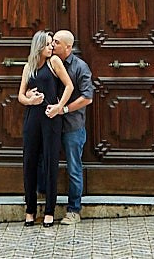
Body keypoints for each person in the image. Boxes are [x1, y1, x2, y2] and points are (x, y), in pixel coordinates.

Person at [16, 30, 72, 226]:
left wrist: (59, 107)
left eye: (52, 44)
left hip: (51, 118)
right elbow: (20, 96)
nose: (51, 47)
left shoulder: (54, 62)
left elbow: (69, 86)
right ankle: (30, 210)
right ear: (39, 46)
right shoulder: (28, 67)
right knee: (29, 161)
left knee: (50, 162)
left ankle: (49, 211)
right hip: (33, 117)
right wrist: (30, 101)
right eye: (48, 44)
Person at [49, 29, 95, 224]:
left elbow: (87, 97)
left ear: (68, 47)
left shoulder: (80, 67)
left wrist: (65, 109)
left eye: (56, 42)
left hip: (72, 125)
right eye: (52, 42)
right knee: (44, 163)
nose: (52, 45)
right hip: (50, 124)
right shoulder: (48, 62)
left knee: (74, 167)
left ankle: (74, 210)